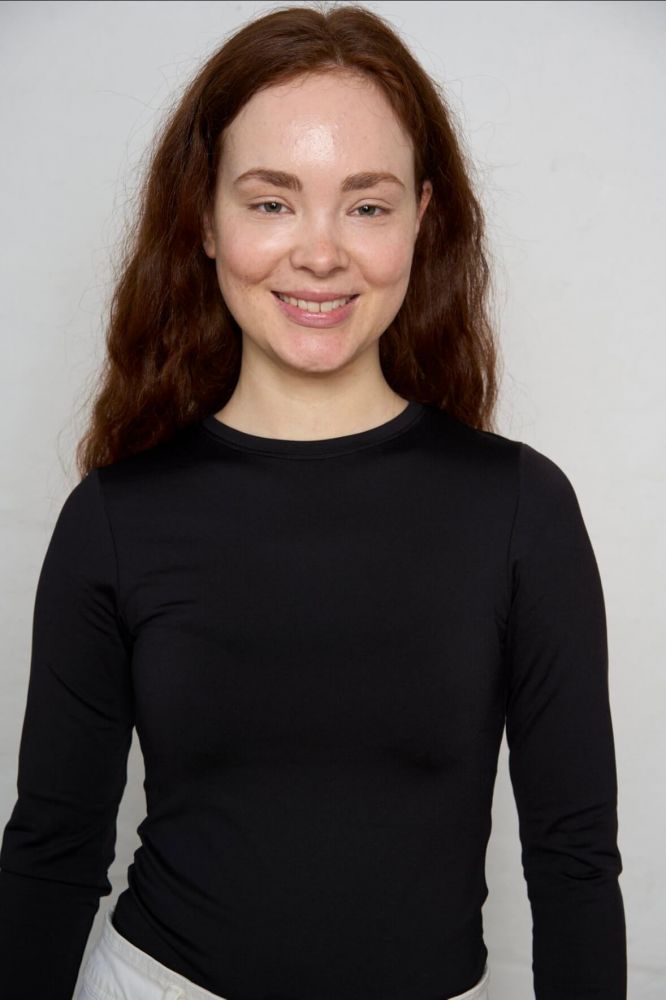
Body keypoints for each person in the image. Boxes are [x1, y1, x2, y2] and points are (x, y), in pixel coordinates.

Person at [0, 3, 626, 999]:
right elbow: (53, 848)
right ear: (205, 221)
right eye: (271, 202)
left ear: (422, 218)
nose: (321, 253)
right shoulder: (115, 518)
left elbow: (575, 862)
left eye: (367, 206)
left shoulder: (520, 510)